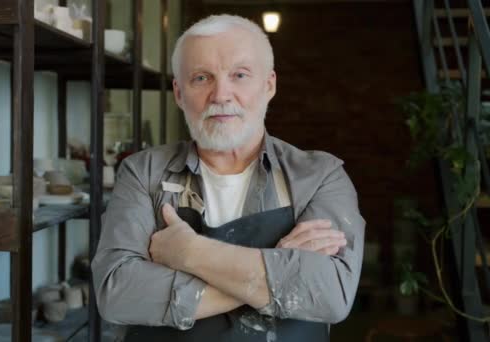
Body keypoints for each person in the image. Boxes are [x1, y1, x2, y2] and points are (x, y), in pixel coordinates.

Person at [91, 14, 365, 342]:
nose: (221, 95)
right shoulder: (142, 173)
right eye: (202, 78)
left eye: (239, 75)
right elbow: (117, 293)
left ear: (269, 85)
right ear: (179, 93)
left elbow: (331, 295)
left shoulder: (320, 176)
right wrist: (280, 266)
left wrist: (189, 253)